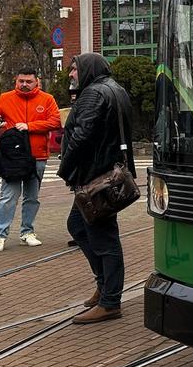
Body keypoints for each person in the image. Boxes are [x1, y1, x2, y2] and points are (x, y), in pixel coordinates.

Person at [57, 53, 135, 324]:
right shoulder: (116, 89)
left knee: (104, 239)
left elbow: (81, 137)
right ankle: (104, 286)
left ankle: (110, 301)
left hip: (95, 180)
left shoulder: (93, 94)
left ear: (88, 69)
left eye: (75, 69)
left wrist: (65, 168)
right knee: (78, 226)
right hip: (106, 176)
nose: (71, 74)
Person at [0, 67, 61, 252]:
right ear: (16, 81)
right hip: (13, 158)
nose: (24, 85)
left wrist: (29, 126)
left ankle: (27, 232)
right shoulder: (5, 98)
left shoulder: (47, 99)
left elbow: (55, 121)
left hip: (37, 156)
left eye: (28, 81)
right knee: (8, 197)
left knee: (32, 197)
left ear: (37, 82)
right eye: (21, 81)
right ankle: (0, 235)